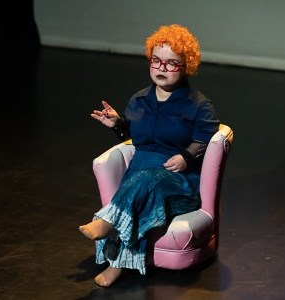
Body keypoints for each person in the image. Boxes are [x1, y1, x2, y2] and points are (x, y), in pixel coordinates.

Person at [79, 24, 220, 287]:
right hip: (140, 179)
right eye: (156, 60)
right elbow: (137, 136)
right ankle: (119, 264)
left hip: (178, 183)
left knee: (146, 181)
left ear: (186, 65)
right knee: (141, 188)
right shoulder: (139, 100)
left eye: (171, 63)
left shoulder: (198, 104)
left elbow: (206, 136)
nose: (161, 68)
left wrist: (186, 157)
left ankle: (108, 223)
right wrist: (119, 124)